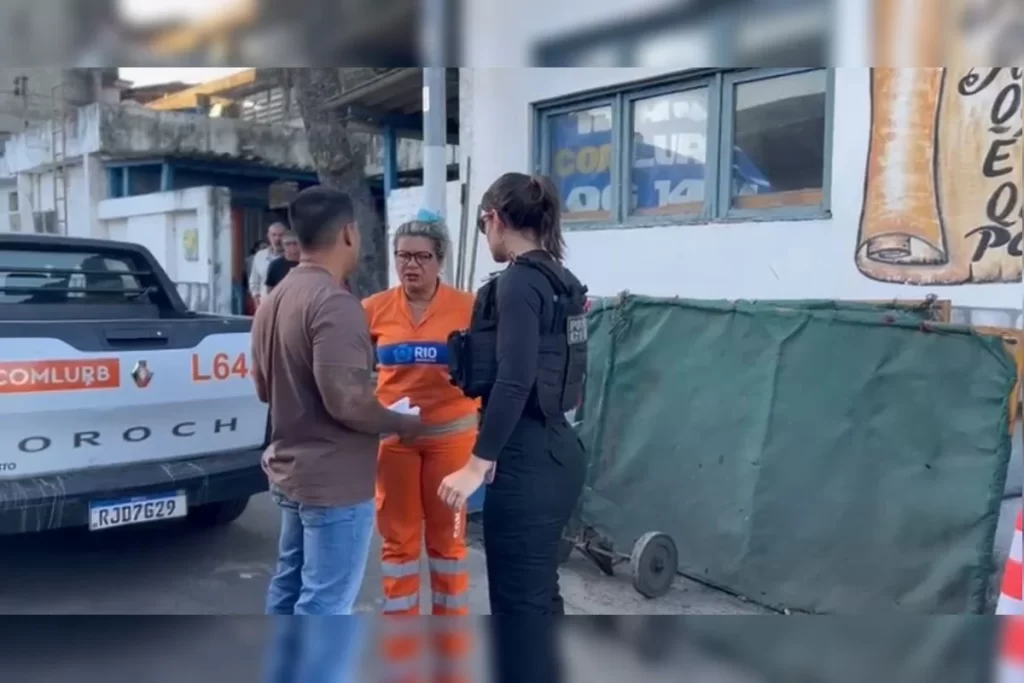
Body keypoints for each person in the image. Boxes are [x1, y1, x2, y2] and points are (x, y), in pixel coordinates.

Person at [250, 186, 424, 681]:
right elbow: (346, 401)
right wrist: (401, 422)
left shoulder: (275, 298)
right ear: (348, 233)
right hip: (335, 485)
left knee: (289, 590)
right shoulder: (335, 303)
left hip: (291, 473)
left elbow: (263, 388)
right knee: (326, 605)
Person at [438, 172, 589, 683]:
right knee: (538, 599)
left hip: (527, 463)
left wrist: (476, 464)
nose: (486, 236)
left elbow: (515, 379)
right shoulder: (559, 279)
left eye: (484, 225)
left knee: (518, 610)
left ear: (495, 219)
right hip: (558, 451)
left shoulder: (519, 283)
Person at [362, 210, 477, 679]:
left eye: (421, 257)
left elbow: (490, 372)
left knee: (448, 546)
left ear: (440, 259)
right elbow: (352, 371)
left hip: (452, 441)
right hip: (396, 443)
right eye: (402, 255)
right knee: (398, 546)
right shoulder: (372, 309)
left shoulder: (469, 308)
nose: (410, 265)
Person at [249, 223, 286, 308]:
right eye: (274, 235)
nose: (277, 239)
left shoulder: (292, 257)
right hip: (265, 303)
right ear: (268, 236)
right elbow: (254, 281)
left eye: (280, 235)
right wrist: (257, 302)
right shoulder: (260, 256)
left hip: (285, 303)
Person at [265, 230, 301, 294]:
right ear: (283, 245)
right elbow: (270, 290)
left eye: (295, 243)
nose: (292, 247)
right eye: (288, 244)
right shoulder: (275, 265)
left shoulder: (310, 263)